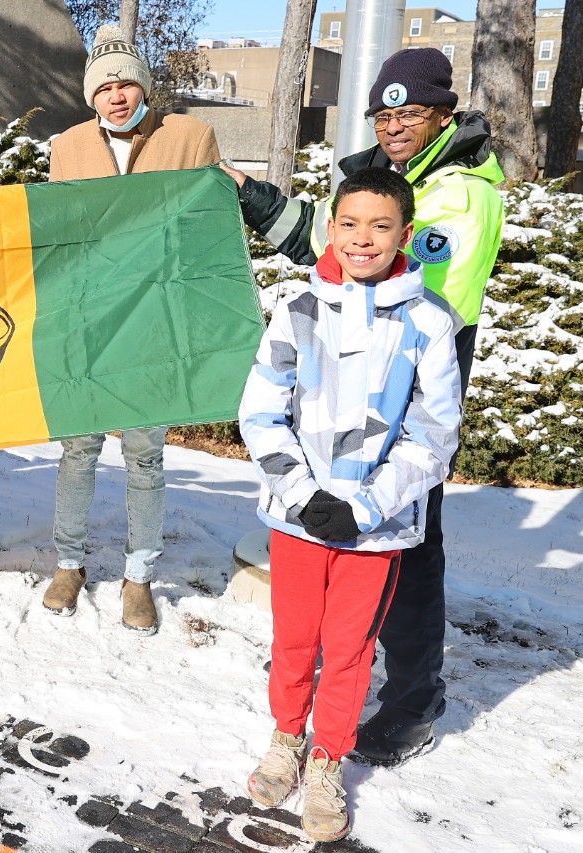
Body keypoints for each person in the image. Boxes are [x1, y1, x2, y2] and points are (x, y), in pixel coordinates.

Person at [220, 47, 505, 765]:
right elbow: (344, 237)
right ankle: (327, 661)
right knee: (339, 535)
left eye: (410, 113)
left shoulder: (462, 191)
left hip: (409, 374)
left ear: (445, 112)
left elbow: (398, 279)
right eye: (384, 114)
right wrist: (259, 199)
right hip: (354, 367)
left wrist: (333, 270)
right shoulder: (407, 180)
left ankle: (413, 700)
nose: (394, 126)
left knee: (406, 541)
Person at [238, 168, 462, 842]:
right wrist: (304, 495)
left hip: (377, 529)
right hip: (297, 519)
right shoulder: (297, 310)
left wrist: (365, 507)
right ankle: (286, 738)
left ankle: (329, 755)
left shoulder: (428, 321)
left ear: (405, 235)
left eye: (381, 225)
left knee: (347, 649)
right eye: (350, 223)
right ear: (330, 227)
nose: (363, 238)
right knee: (294, 638)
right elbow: (260, 411)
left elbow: (434, 432)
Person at [41, 25, 221, 635]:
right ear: (91, 96)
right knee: (79, 446)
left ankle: (139, 574)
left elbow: (208, 225)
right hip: (90, 319)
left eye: (126, 83)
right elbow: (57, 232)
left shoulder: (189, 136)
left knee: (145, 453)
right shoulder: (66, 146)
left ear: (144, 85)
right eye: (105, 87)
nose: (116, 95)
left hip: (155, 320)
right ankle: (69, 563)